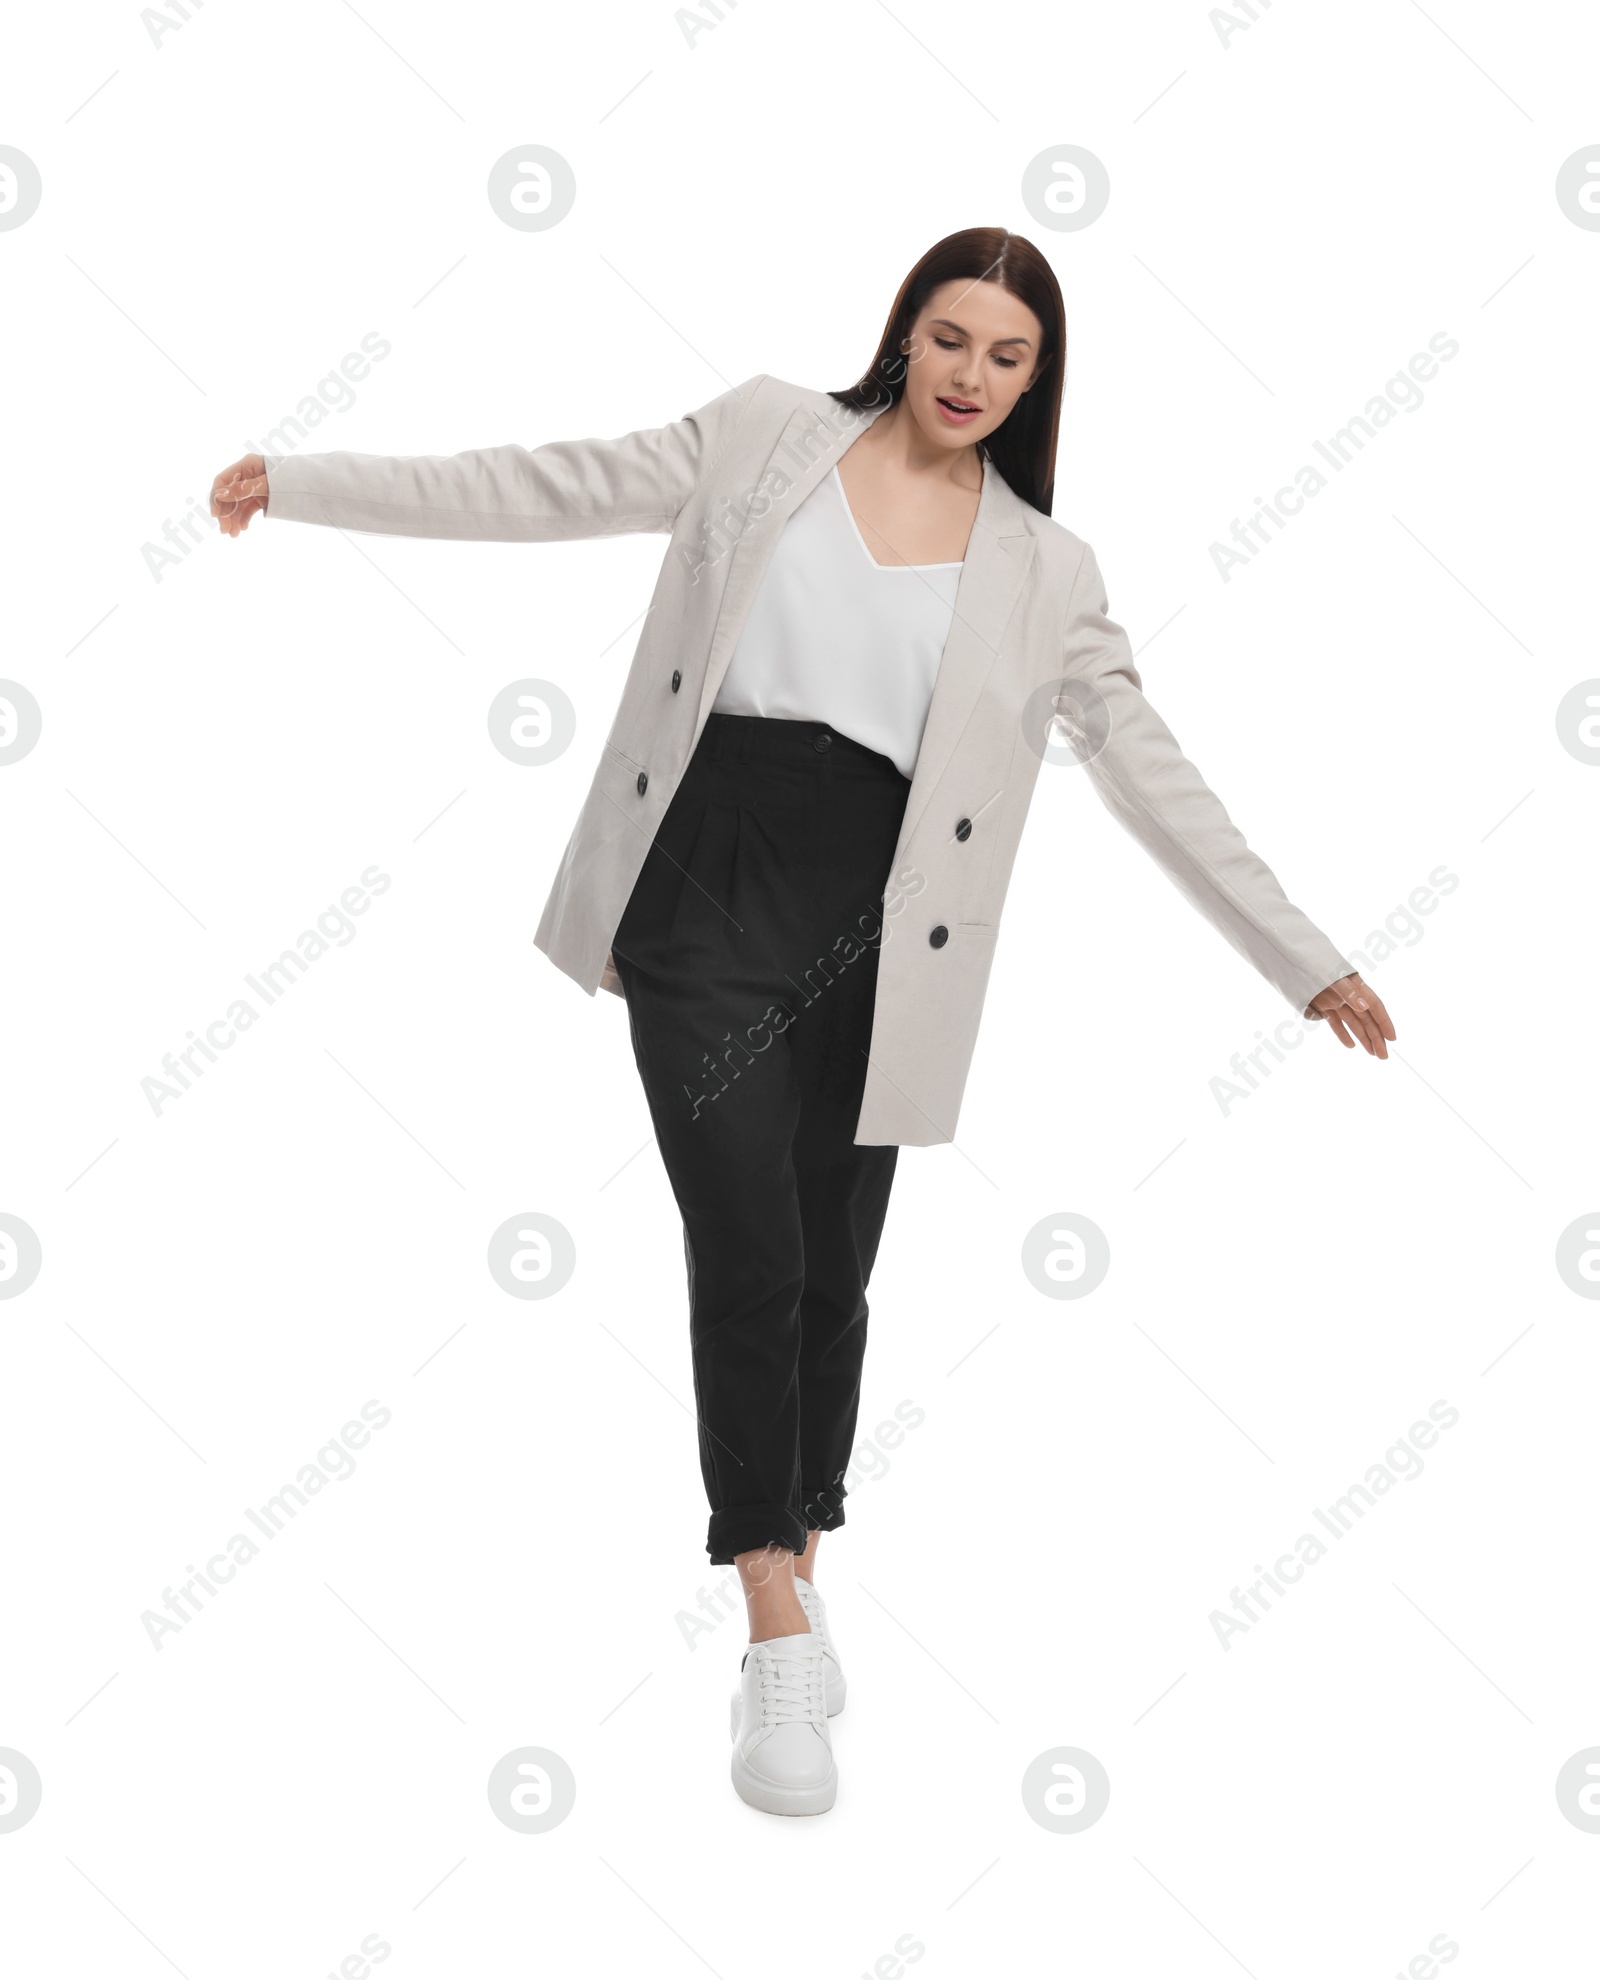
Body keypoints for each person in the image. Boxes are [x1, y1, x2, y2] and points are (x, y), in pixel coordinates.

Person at [211, 227, 1396, 1818]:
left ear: (1039, 380)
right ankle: (773, 1621)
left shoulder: (1049, 570)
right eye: (950, 336)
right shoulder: (770, 431)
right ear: (902, 331)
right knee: (747, 1238)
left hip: (883, 926)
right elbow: (550, 483)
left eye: (1008, 355)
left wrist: (1304, 958)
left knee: (832, 1272)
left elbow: (1150, 769)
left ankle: (800, 1551)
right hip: (703, 873)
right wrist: (301, 477)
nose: (971, 374)